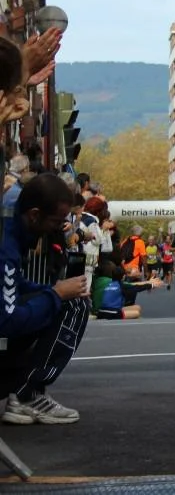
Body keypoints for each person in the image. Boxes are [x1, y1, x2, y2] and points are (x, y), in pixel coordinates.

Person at [0, 173, 91, 425]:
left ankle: (25, 391)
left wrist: (54, 289)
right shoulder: (6, 247)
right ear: (34, 215)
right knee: (74, 305)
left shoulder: (11, 233)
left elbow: (15, 285)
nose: (59, 227)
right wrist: (57, 294)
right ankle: (27, 395)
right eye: (56, 221)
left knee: (68, 298)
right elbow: (6, 321)